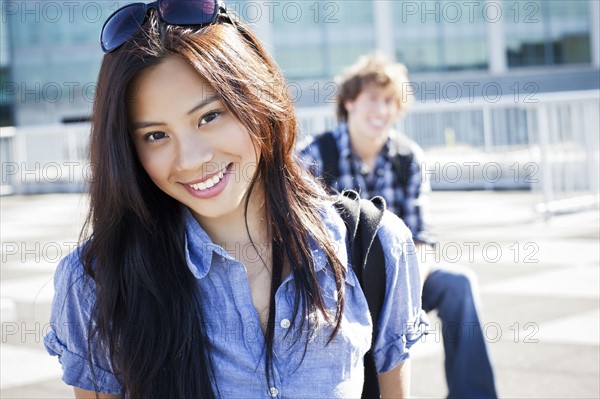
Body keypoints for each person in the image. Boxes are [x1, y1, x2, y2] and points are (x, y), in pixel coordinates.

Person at [43, 2, 427, 398]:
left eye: (210, 116)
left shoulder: (371, 248)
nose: (192, 159)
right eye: (155, 135)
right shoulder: (97, 283)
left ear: (257, 101)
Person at [300, 52, 498, 399]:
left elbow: (422, 237)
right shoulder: (315, 154)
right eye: (372, 99)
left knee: (459, 284)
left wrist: (407, 294)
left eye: (390, 101)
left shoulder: (409, 157)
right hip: (337, 280)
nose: (382, 109)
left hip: (402, 275)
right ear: (349, 102)